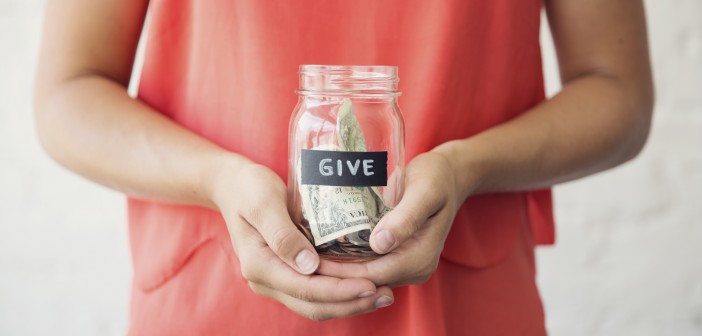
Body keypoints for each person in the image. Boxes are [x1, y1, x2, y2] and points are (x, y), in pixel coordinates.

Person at [33, 0, 653, 335]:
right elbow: (69, 92)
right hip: (214, 303)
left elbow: (617, 91)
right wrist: (215, 178)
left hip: (467, 309)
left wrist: (468, 167)